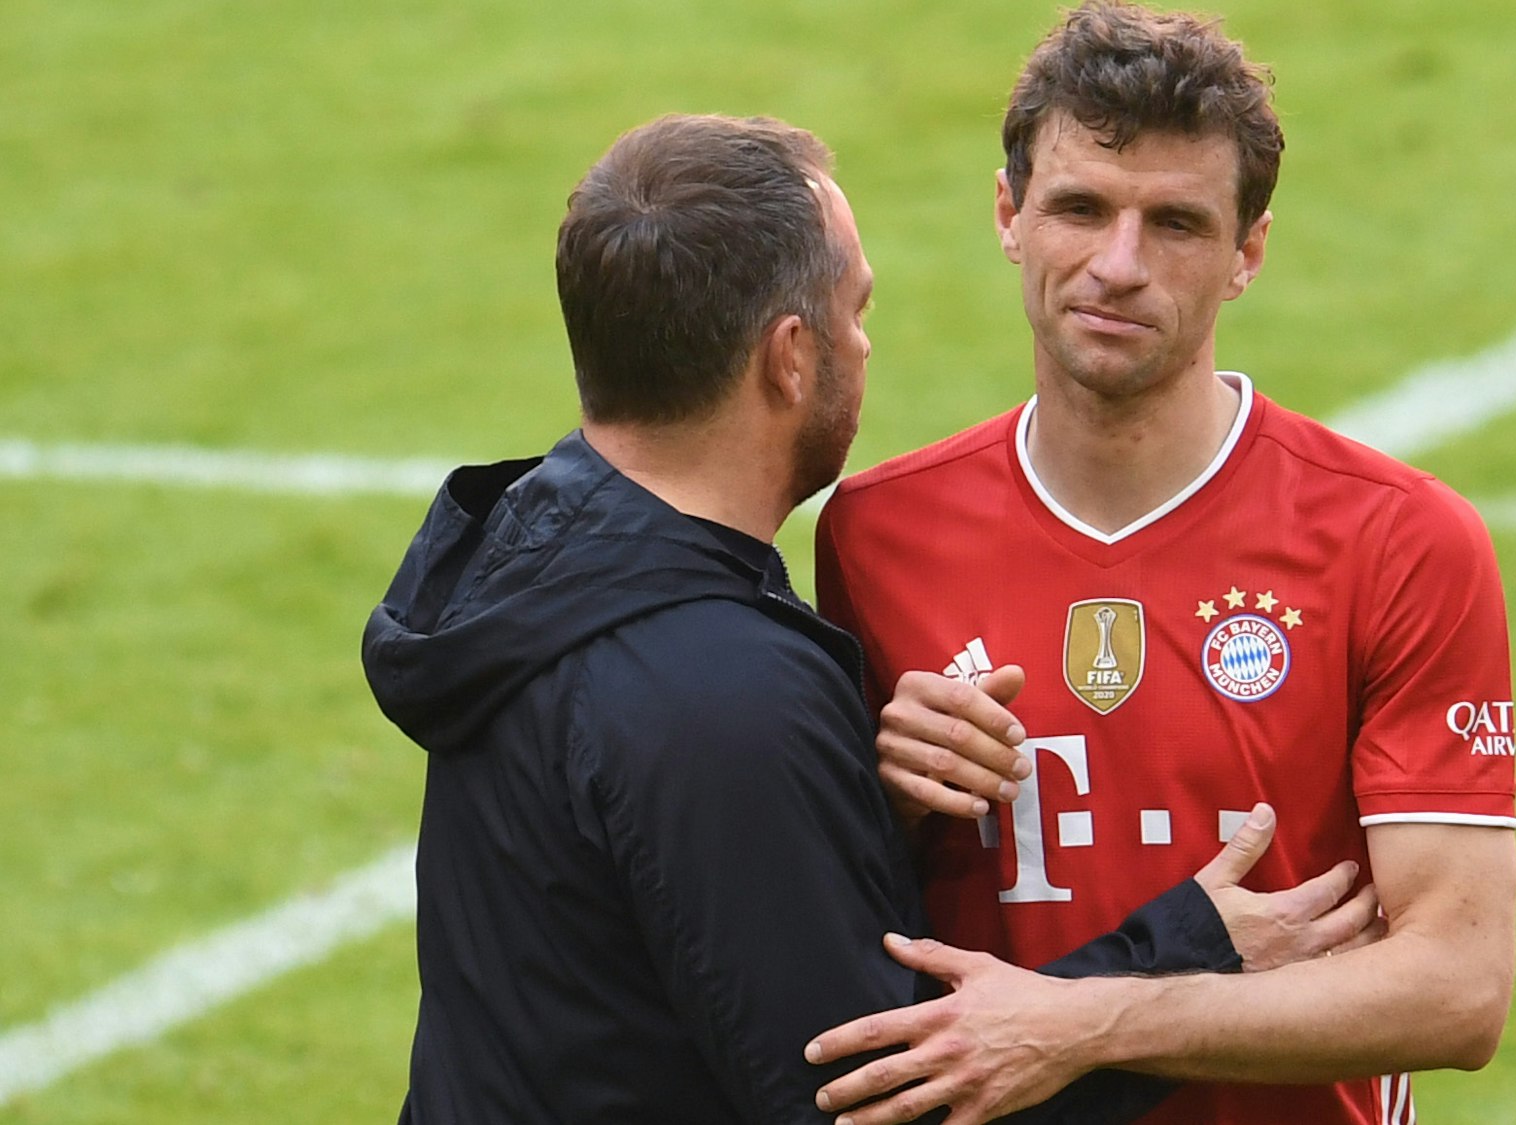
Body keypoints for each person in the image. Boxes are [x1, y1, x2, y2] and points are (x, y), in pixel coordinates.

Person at [360, 112, 1376, 1124]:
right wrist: (1189, 954)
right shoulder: (721, 689)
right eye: (856, 309)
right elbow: (875, 1101)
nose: (865, 342)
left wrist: (867, 809)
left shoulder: (531, 568)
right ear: (790, 358)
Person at [809, 4, 1516, 1124]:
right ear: (1009, 215)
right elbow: (823, 915)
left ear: (1248, 253)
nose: (1118, 265)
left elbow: (1458, 988)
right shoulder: (875, 532)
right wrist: (884, 800)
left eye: (1177, 223)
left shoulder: (1399, 540)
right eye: (1080, 209)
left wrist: (1088, 1021)